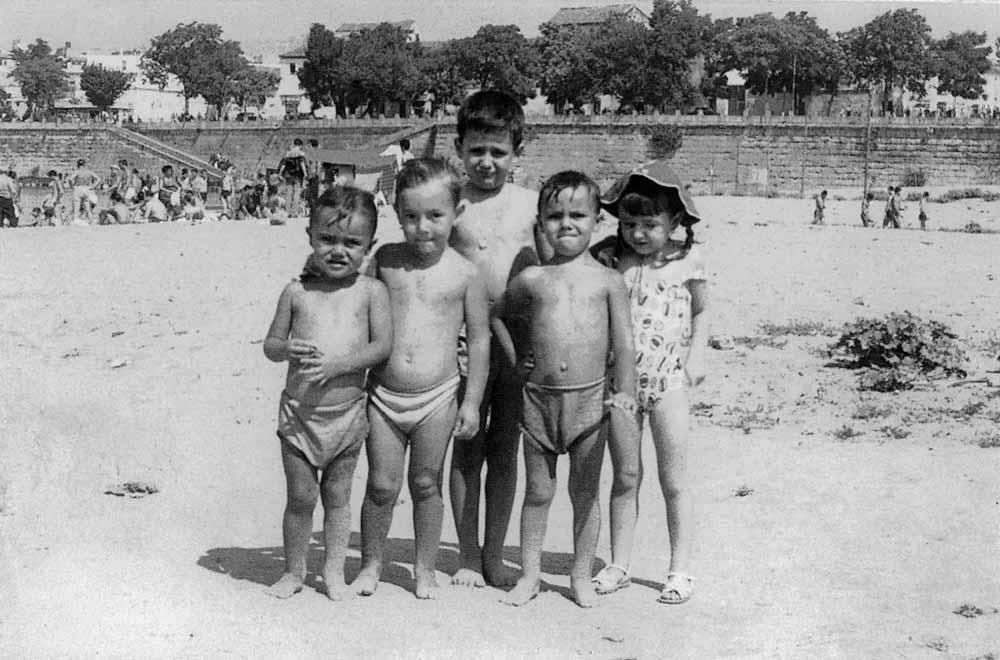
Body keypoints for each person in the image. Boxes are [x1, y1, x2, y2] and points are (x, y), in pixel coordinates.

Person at [492, 171, 635, 608]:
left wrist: (625, 390)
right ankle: (531, 575)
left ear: (597, 221)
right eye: (555, 215)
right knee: (537, 492)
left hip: (591, 402)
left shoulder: (608, 280)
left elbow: (625, 341)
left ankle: (579, 576)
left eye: (578, 214)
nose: (566, 223)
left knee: (584, 493)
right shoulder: (533, 279)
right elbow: (498, 316)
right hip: (539, 402)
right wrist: (517, 362)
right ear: (540, 222)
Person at [356, 158, 489, 600]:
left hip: (438, 395)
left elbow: (481, 340)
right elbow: (359, 315)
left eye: (435, 216)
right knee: (380, 484)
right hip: (383, 394)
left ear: (457, 213)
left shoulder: (466, 272)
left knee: (427, 482)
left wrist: (471, 403)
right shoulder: (385, 260)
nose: (423, 228)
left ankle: (424, 568)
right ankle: (372, 563)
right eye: (410, 217)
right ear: (396, 214)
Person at [262, 186, 392, 600]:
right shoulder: (296, 292)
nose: (339, 251)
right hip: (300, 415)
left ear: (370, 245)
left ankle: (333, 570)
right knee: (300, 497)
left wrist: (339, 365)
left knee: (338, 497)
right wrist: (285, 348)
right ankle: (294, 571)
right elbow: (270, 346)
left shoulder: (372, 293)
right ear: (310, 236)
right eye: (328, 239)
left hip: (347, 415)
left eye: (352, 243)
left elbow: (381, 346)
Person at [589, 161, 709, 605]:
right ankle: (619, 563)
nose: (638, 233)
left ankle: (679, 569)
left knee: (674, 479)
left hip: (669, 382)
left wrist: (697, 354)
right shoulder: (610, 259)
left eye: (650, 224)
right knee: (625, 475)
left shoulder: (687, 260)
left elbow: (701, 311)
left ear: (675, 222)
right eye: (629, 223)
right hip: (619, 386)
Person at [447, 90, 546, 588]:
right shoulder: (454, 204)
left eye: (498, 152)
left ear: (517, 153)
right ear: (459, 147)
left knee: (505, 448)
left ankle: (493, 552)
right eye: (477, 150)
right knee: (467, 445)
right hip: (466, 339)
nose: (486, 162)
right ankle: (465, 553)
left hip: (517, 342)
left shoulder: (531, 205)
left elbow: (557, 265)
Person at [278, 139, 307, 217]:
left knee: (288, 193)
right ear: (300, 145)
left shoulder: (288, 154)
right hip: (297, 176)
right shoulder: (301, 154)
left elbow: (283, 165)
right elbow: (302, 164)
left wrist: (280, 173)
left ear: (294, 144)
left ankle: (287, 212)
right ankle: (294, 212)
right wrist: (305, 174)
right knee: (297, 193)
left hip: (288, 176)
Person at [70, 158, 100, 225]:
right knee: (87, 206)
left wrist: (72, 186)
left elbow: (70, 179)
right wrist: (93, 186)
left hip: (79, 188)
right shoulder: (89, 172)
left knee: (77, 205)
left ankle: (76, 219)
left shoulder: (77, 172)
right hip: (87, 188)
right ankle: (90, 219)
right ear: (84, 164)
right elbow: (98, 179)